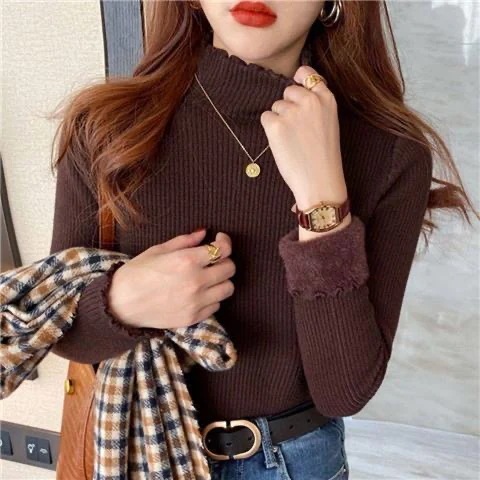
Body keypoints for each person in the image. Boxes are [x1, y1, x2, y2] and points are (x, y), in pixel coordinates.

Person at [48, 1, 478, 479]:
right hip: (140, 453)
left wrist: (322, 201)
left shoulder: (390, 152)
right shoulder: (107, 127)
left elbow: (344, 391)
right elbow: (58, 330)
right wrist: (121, 303)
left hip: (297, 463)